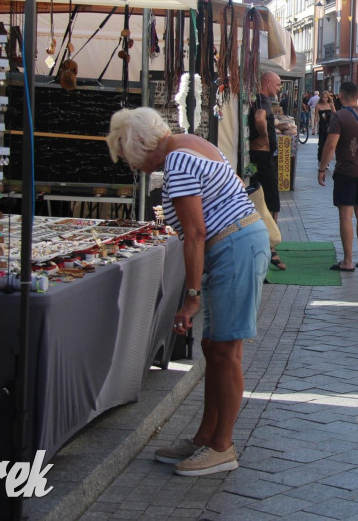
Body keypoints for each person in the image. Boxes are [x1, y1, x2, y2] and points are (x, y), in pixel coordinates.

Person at [106, 108, 268, 477]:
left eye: (130, 157)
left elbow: (194, 233)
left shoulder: (176, 161)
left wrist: (192, 297)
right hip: (237, 244)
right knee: (216, 348)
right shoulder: (193, 144)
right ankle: (206, 438)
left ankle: (221, 446)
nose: (136, 168)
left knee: (225, 351)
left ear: (140, 145)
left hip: (233, 247)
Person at [318, 81, 358, 271]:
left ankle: (347, 261)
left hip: (346, 171)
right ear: (357, 97)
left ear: (341, 96)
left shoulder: (339, 116)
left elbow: (330, 145)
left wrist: (322, 168)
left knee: (346, 215)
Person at [249, 71, 286, 270]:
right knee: (271, 201)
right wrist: (264, 137)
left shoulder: (257, 99)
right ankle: (270, 245)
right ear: (268, 83)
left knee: (261, 198)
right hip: (263, 157)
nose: (279, 88)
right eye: (278, 84)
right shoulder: (262, 100)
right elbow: (260, 119)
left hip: (259, 156)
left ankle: (266, 244)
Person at [315, 91, 335, 161]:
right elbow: (316, 117)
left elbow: (335, 115)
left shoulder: (331, 105)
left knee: (329, 144)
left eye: (326, 97)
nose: (324, 99)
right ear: (321, 98)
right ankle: (320, 159)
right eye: (323, 97)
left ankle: (327, 160)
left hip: (330, 126)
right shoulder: (318, 106)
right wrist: (314, 128)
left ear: (328, 98)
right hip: (322, 126)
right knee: (321, 144)